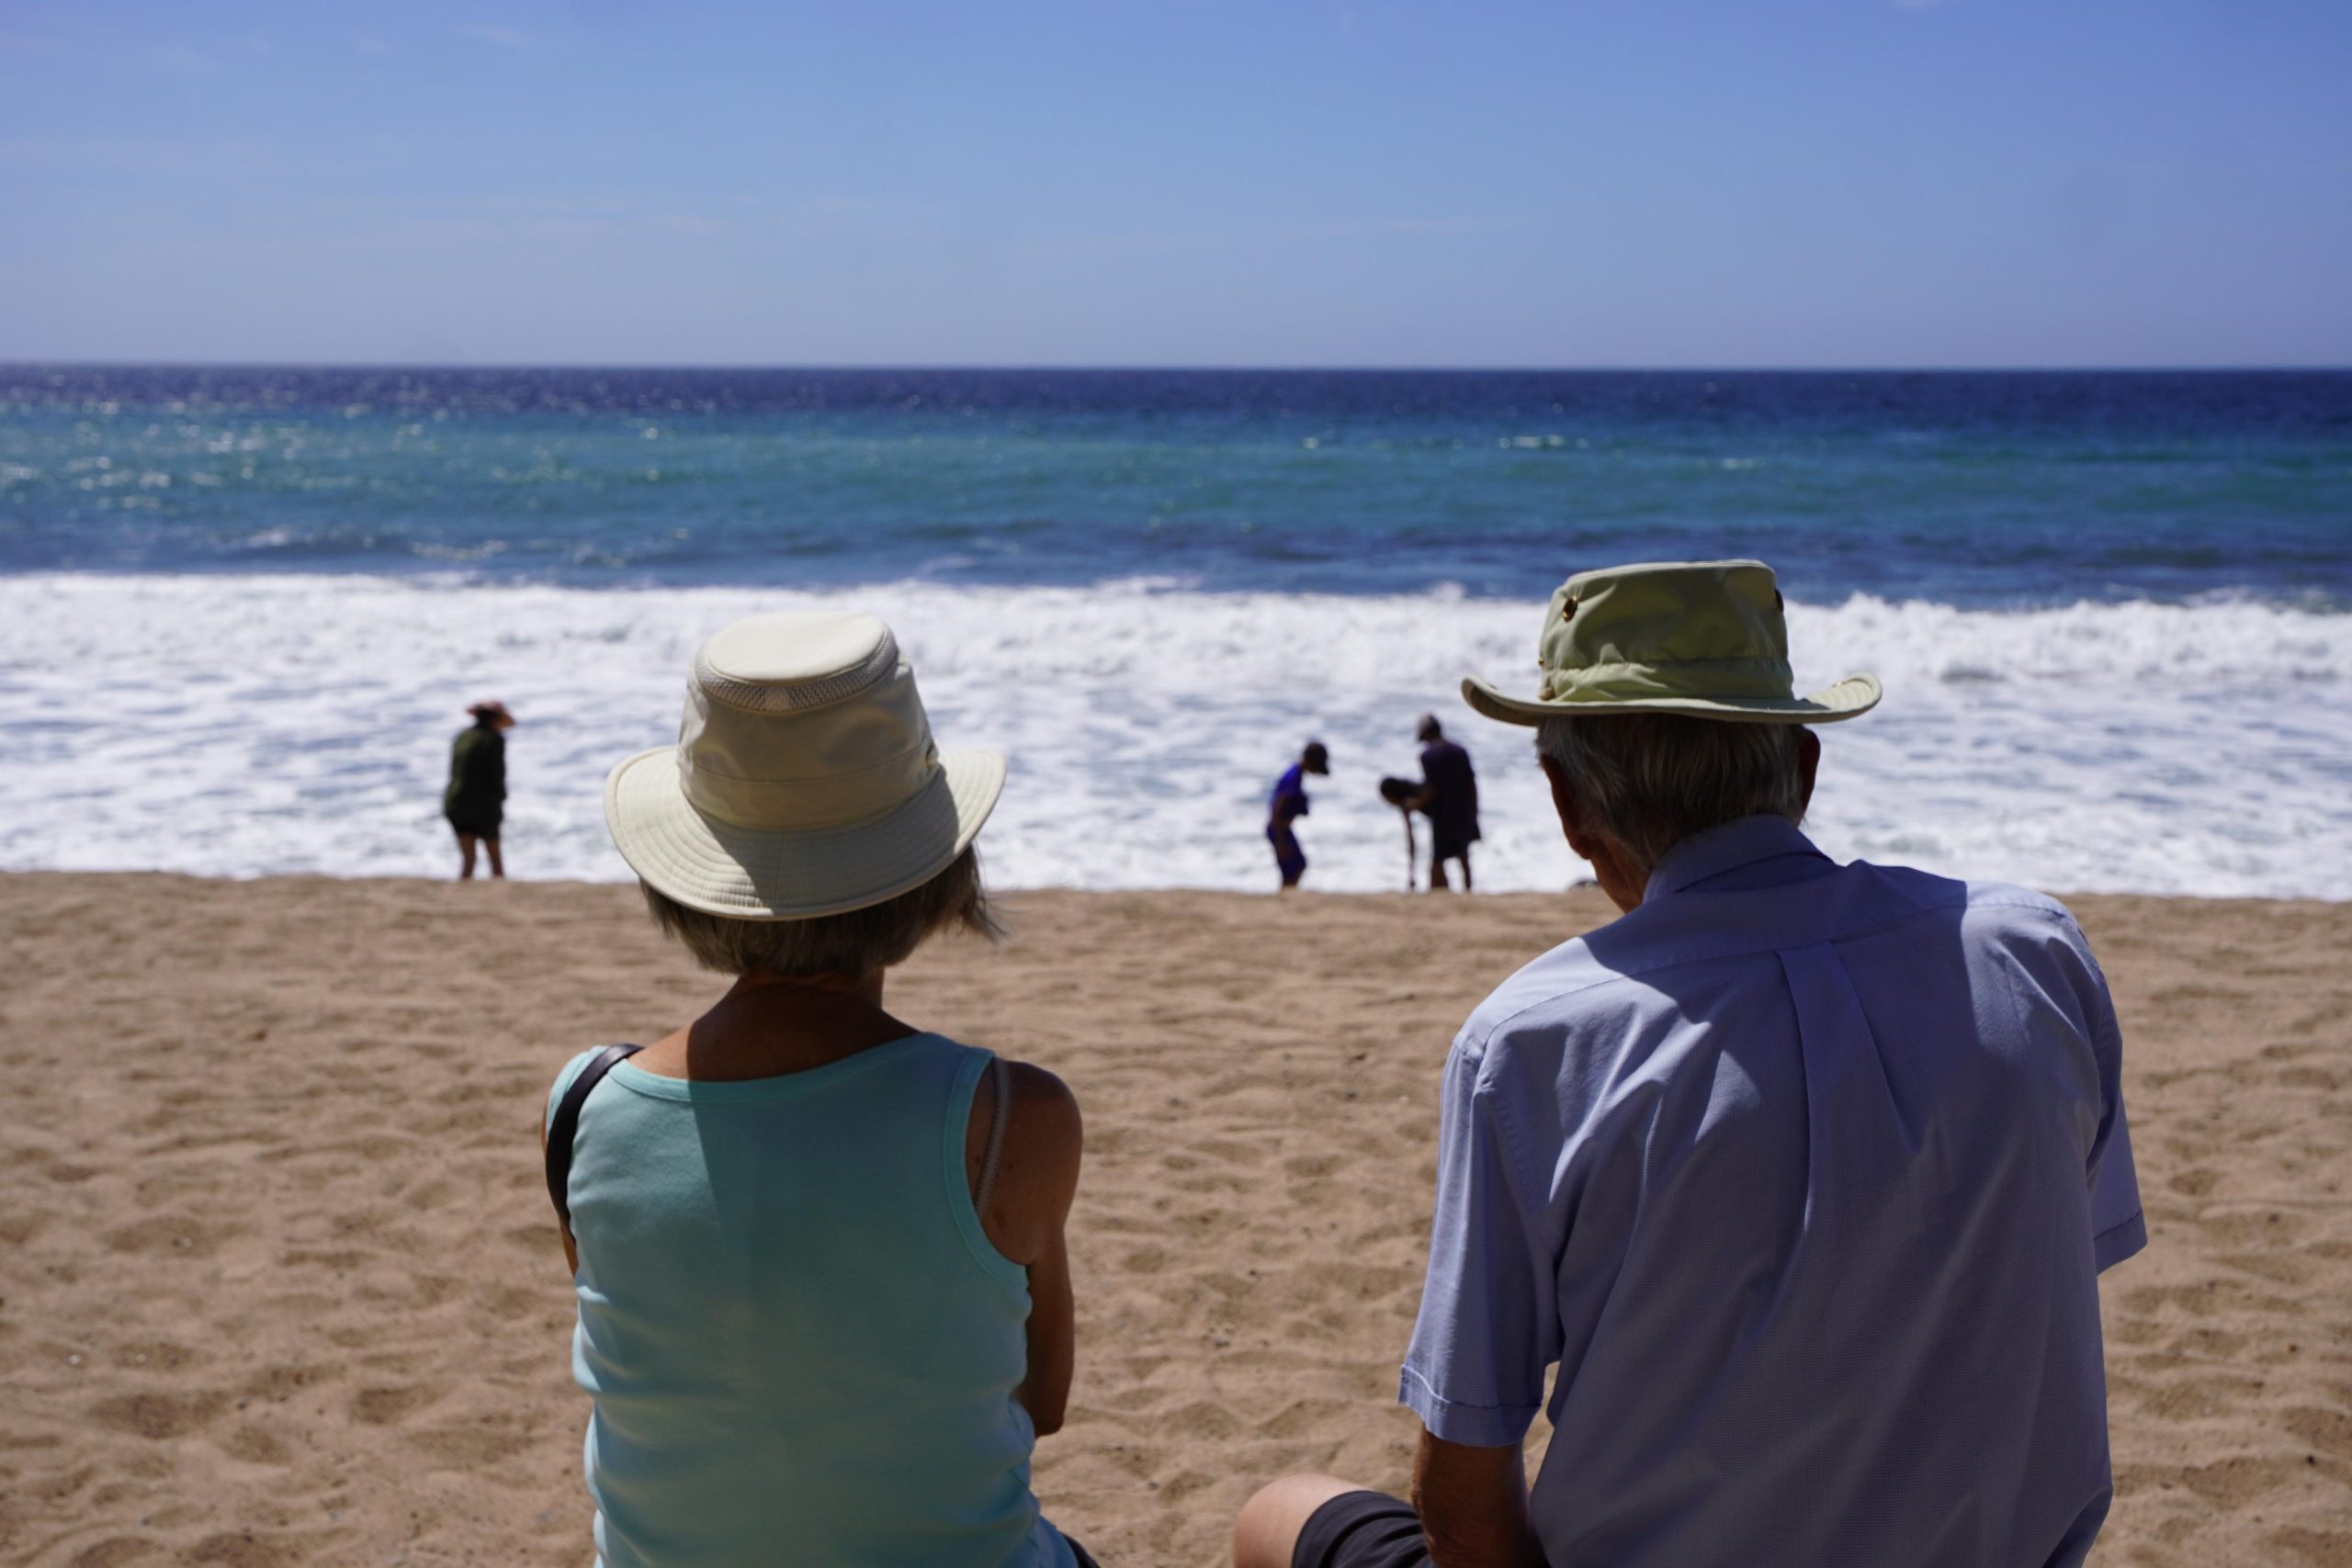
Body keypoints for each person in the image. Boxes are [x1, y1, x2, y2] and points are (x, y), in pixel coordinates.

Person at [1235, 560, 2144, 1568]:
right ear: (1801, 770)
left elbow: (1463, 1493)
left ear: (1568, 804)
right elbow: (2058, 1259)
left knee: (1276, 1514)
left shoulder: (1536, 1041)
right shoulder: (2033, 953)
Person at [547, 611, 1095, 1568]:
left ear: (683, 882)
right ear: (933, 877)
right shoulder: (1008, 1116)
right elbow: (1039, 1404)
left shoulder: (586, 1103)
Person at [445, 700, 514, 879]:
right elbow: (497, 774)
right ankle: (500, 899)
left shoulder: (462, 737)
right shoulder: (494, 739)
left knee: (468, 860)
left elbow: (455, 771)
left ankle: (459, 899)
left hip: (455, 801)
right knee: (495, 860)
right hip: (484, 804)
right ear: (496, 719)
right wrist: (501, 797)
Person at [1409, 716, 1480, 892]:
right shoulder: (1460, 751)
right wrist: (1474, 810)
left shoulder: (1427, 756)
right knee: (1464, 856)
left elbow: (1433, 788)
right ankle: (1468, 891)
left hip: (1443, 813)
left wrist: (1415, 804)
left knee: (1438, 859)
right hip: (1464, 810)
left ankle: (1438, 894)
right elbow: (1471, 783)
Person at [1268, 740, 1330, 890]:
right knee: (1292, 870)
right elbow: (1278, 807)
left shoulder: (1296, 775)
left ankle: (1287, 895)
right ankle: (1285, 897)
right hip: (1279, 829)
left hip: (1282, 829)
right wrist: (1280, 840)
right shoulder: (1293, 777)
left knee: (1298, 865)